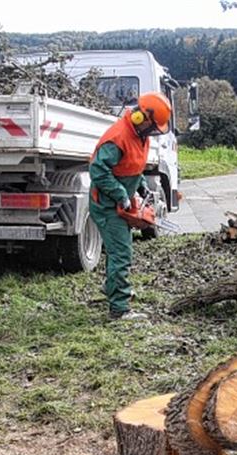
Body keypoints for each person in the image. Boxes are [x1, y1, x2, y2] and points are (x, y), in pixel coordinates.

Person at [89, 91, 172, 320]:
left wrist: (141, 186)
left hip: (119, 202)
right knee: (121, 253)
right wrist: (120, 195)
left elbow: (131, 166)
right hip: (106, 205)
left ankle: (113, 287)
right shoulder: (117, 138)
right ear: (140, 117)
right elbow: (97, 170)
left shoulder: (139, 136)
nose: (153, 132)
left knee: (118, 250)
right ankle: (119, 308)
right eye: (152, 127)